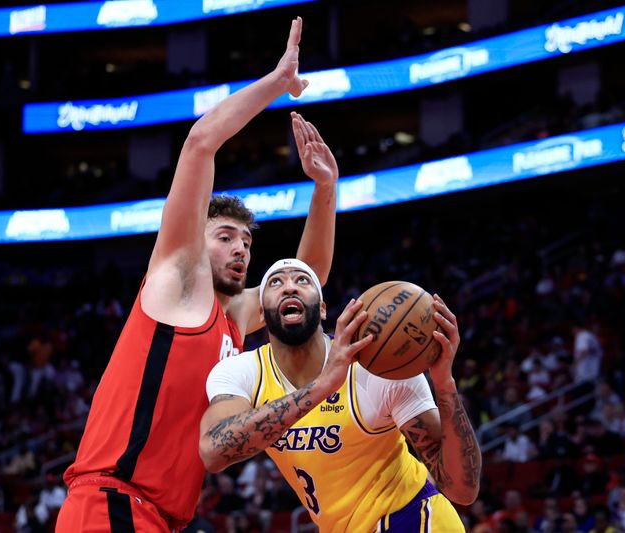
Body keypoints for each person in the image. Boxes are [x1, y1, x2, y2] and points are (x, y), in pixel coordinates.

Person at [56, 19, 340, 532]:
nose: (240, 250)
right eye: (225, 236)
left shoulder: (231, 315)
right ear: (197, 240)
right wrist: (279, 82)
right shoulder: (178, 283)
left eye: (247, 243)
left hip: (155, 517)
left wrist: (324, 189)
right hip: (111, 504)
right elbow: (200, 143)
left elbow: (308, 277)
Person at [201, 259, 481, 532]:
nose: (289, 287)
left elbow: (462, 490)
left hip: (410, 518)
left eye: (302, 280)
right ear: (261, 314)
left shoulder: (376, 370)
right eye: (276, 282)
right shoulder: (243, 372)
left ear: (322, 309)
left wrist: (444, 383)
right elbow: (213, 453)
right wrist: (322, 387)